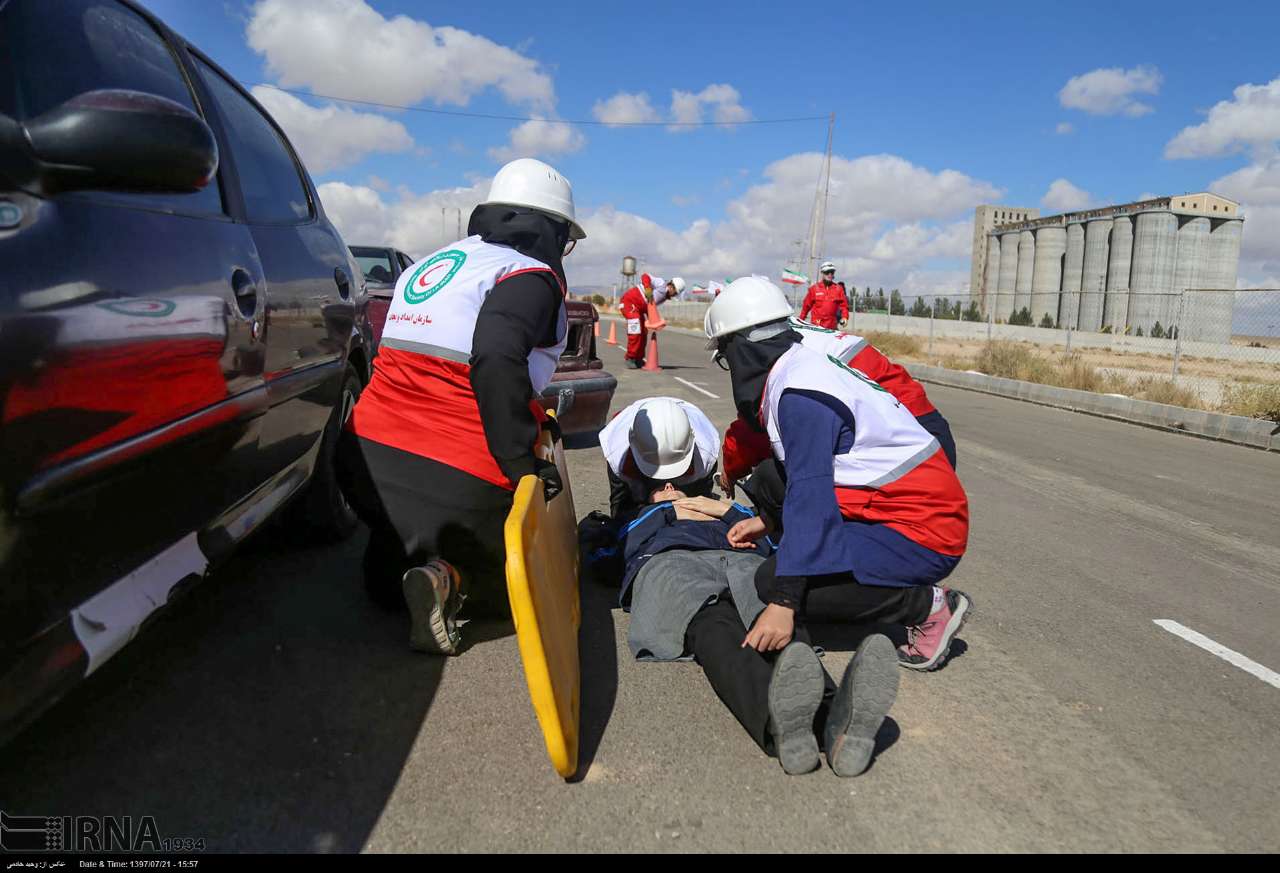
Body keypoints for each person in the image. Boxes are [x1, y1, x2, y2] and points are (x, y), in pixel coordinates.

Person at [337, 158, 585, 656]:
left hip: (361, 460)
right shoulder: (529, 277)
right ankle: (448, 576)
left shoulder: (441, 261)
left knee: (383, 586)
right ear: (553, 231)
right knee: (514, 590)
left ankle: (412, 567)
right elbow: (495, 357)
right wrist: (521, 465)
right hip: (456, 473)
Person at [704, 276, 973, 671]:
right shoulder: (800, 365)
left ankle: (928, 605)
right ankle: (843, 574)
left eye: (726, 356)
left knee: (772, 581)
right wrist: (769, 522)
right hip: (905, 508)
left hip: (925, 530)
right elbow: (810, 479)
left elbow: (810, 496)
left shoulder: (799, 395)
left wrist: (784, 603)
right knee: (777, 495)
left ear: (741, 348)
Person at [598, 489, 899, 776]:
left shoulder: (730, 512)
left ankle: (833, 718)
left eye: (677, 485)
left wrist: (728, 511)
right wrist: (665, 510)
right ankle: (785, 725)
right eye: (660, 488)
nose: (670, 486)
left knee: (773, 616)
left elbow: (779, 541)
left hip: (743, 562)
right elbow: (609, 554)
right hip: (672, 564)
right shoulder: (636, 517)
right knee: (713, 625)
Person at [719, 314, 958, 494]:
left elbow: (752, 436)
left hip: (900, 452)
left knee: (773, 480)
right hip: (926, 433)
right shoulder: (800, 332)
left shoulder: (778, 349)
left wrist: (730, 473)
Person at [598, 397, 720, 519]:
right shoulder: (617, 453)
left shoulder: (705, 453)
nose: (667, 484)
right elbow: (619, 507)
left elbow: (703, 503)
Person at [619, 273, 659, 369]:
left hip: (639, 309)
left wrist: (654, 320)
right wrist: (648, 289)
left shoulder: (663, 296)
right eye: (673, 292)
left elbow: (650, 307)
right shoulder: (661, 284)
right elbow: (645, 276)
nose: (673, 294)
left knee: (643, 332)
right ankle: (630, 357)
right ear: (671, 287)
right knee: (635, 331)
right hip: (629, 304)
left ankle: (638, 358)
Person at [799, 262, 849, 329]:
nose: (830, 274)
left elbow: (844, 306)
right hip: (817, 327)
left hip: (832, 327)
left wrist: (845, 317)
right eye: (827, 272)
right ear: (822, 273)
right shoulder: (814, 289)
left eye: (832, 272)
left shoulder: (838, 289)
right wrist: (800, 321)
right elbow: (806, 307)